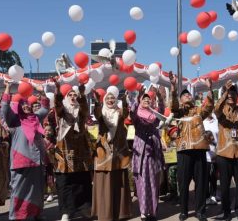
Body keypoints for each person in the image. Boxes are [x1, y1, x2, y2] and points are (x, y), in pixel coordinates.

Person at [2, 81, 49, 220]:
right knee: (19, 193)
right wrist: (8, 88)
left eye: (28, 104)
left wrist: (41, 91)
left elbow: (45, 108)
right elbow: (5, 107)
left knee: (37, 192)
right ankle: (16, 217)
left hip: (37, 162)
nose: (26, 106)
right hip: (21, 163)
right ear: (18, 107)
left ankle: (36, 214)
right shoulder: (14, 121)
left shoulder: (36, 118)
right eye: (23, 104)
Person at [169, 72, 214, 221]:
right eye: (185, 95)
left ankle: (200, 211)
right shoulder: (179, 111)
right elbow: (173, 104)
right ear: (181, 100)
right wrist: (174, 86)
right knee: (183, 182)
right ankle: (184, 211)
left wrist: (210, 89)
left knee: (201, 183)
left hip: (199, 149)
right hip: (183, 150)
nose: (187, 95)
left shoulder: (198, 111)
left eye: (189, 94)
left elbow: (208, 107)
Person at [54, 81, 93, 221]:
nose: (72, 96)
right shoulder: (62, 109)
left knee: (82, 179)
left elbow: (84, 108)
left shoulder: (81, 109)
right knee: (65, 181)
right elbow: (58, 107)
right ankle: (66, 211)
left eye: (74, 94)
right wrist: (58, 89)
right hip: (64, 147)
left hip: (80, 148)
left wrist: (82, 94)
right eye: (69, 94)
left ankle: (84, 208)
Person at [91, 90, 132, 221]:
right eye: (107, 98)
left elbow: (125, 112)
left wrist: (125, 100)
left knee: (118, 183)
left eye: (112, 98)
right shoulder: (101, 112)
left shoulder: (120, 112)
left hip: (119, 154)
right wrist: (97, 102)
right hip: (103, 154)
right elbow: (97, 114)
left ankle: (119, 213)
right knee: (104, 184)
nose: (110, 100)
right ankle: (104, 214)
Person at [214, 79, 238, 221]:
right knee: (224, 185)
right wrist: (225, 92)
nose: (231, 96)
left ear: (237, 96)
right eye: (228, 94)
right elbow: (216, 108)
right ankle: (225, 211)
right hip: (224, 153)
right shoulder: (220, 112)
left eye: (233, 94)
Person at [131, 87, 165, 221]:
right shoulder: (137, 115)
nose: (146, 100)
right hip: (141, 152)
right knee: (142, 182)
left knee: (154, 182)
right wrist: (138, 94)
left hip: (154, 151)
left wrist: (161, 97)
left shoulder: (154, 114)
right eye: (143, 98)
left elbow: (162, 112)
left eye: (148, 99)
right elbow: (132, 111)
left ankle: (153, 211)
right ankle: (144, 212)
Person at [204, 131, 218, 205]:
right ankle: (207, 196)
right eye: (210, 136)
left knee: (214, 179)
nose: (212, 137)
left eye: (212, 135)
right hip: (207, 163)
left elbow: (216, 151)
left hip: (214, 163)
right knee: (206, 180)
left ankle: (214, 195)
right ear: (207, 138)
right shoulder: (205, 146)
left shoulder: (214, 144)